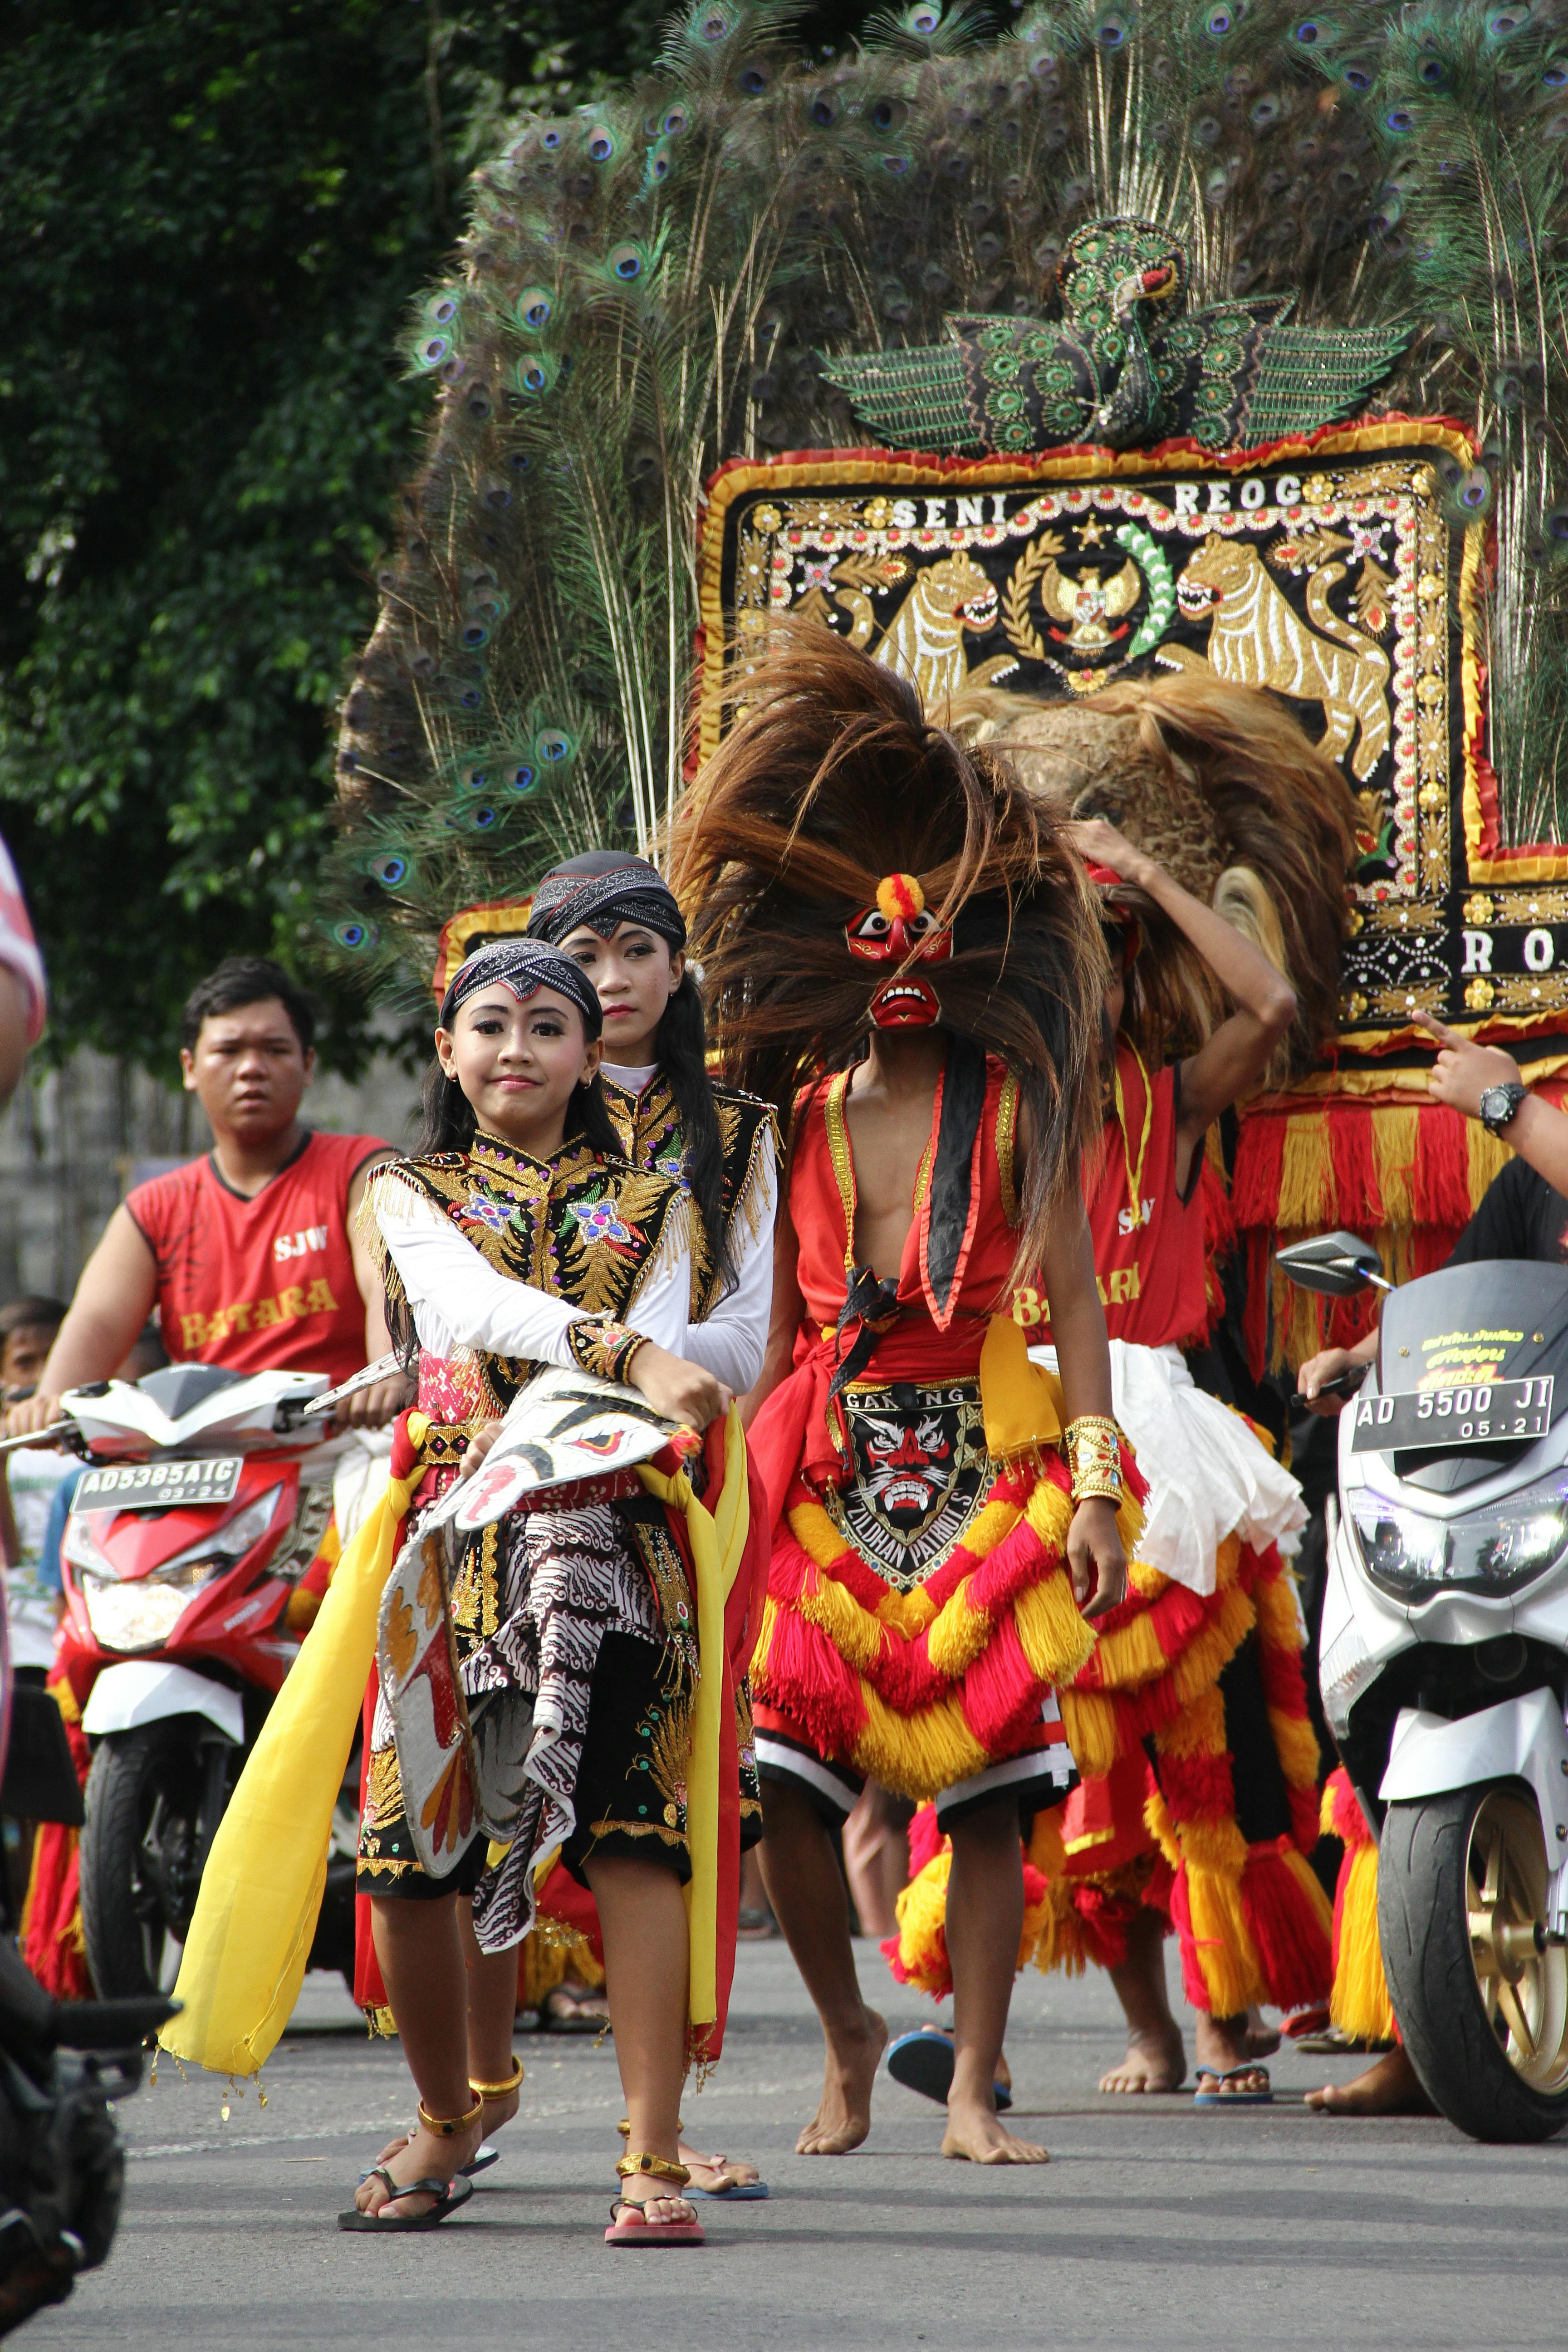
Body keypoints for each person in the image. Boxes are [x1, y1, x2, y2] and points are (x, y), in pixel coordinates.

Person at [670, 630, 1139, 2167]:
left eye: (926, 938)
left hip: (985, 1466)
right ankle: (848, 2037)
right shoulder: (790, 1123)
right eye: (874, 941)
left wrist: (1092, 1492)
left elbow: (1079, 1311)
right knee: (785, 1786)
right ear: (838, 953)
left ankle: (977, 2084)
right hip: (821, 1470)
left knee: (994, 1800)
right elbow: (756, 1328)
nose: (901, 966)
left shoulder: (1019, 1113)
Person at [346, 937, 742, 2241]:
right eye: (489, 1023)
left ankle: (652, 2156)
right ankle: (450, 2114)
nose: (516, 1046)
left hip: (615, 1537)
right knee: (408, 1858)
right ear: (446, 1049)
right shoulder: (403, 1190)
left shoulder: (660, 1204)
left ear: (588, 1056)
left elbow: (668, 1372)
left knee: (635, 1840)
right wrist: (620, 1347)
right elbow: (465, 1305)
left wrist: (641, 1365)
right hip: (455, 1549)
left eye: (546, 1025)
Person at [1025, 823, 1329, 2101]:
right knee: (1076, 1762)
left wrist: (1146, 875)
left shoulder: (1171, 1100)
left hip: (1175, 1452)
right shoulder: (988, 1115)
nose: (1085, 989)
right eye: (1058, 962)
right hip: (1030, 1444)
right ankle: (1151, 2026)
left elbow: (1273, 1004)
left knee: (1206, 1741)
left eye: (1104, 962)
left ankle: (1223, 2015)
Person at [1292, 1009, 1568, 2118]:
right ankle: (1425, 2033)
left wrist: (1503, 1102)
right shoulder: (1535, 1167)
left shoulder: (1534, 1125)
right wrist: (1363, 1354)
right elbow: (1467, 1295)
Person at [3, 957, 406, 1441]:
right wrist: (46, 1403)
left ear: (307, 1066)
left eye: (275, 1049)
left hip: (345, 1452)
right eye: (229, 1051)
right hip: (198, 1461)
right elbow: (97, 1322)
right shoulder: (152, 1210)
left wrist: (389, 1369)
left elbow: (387, 1284)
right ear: (190, 1068)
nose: (251, 1068)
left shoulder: (364, 1170)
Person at [0, 1298, 69, 1677]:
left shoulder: (96, 1445)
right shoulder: (6, 1450)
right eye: (25, 1363)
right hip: (19, 1641)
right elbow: (9, 1556)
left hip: (78, 1630)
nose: (44, 1376)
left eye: (56, 1357)